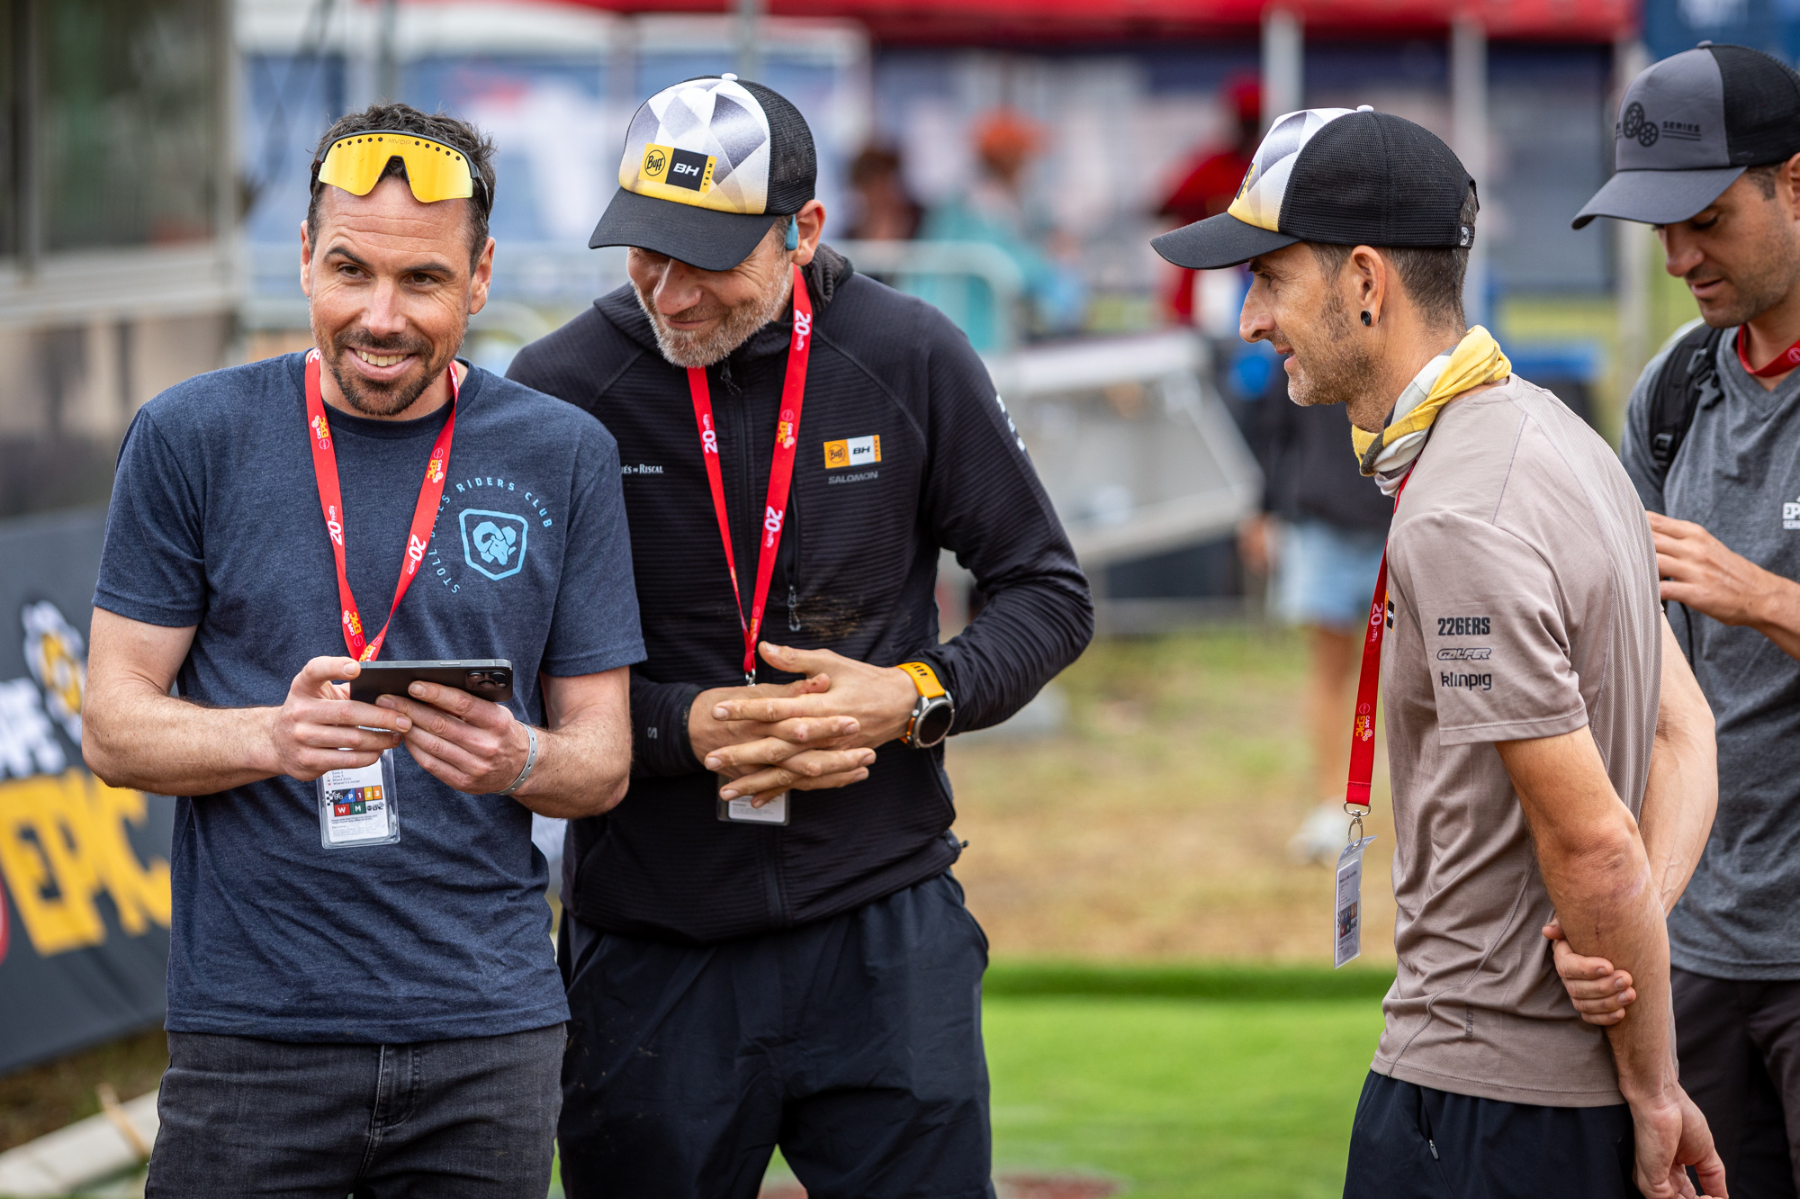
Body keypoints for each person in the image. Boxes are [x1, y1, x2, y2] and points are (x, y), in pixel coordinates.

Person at [506, 74, 1093, 1198]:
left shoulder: (909, 353)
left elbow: (1047, 592)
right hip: (652, 947)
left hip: (880, 926)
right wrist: (681, 725)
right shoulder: (561, 386)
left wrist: (912, 695)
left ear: (805, 229)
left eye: (707, 257)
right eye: (645, 251)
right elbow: (516, 670)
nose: (671, 292)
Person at [1153, 106, 1725, 1198]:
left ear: (1365, 281)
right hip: (1527, 1098)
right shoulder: (1560, 435)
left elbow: (1595, 841)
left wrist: (1656, 1086)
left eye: (1269, 278)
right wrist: (1634, 937)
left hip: (1481, 1100)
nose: (1250, 319)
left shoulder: (1460, 505)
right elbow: (1683, 729)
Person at [81, 104, 643, 1197]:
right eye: (350, 269)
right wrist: (273, 737)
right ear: (304, 256)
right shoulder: (191, 435)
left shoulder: (564, 454)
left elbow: (603, 760)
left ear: (480, 279)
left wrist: (518, 757)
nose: (380, 317)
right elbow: (112, 724)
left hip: (488, 1039)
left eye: (423, 279)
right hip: (254, 1037)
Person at [1555, 42, 1800, 1197]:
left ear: (1794, 182)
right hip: (1692, 949)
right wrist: (1616, 909)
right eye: (1659, 227)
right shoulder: (1673, 389)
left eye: (1706, 219)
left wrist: (1763, 597)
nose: (1678, 258)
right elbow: (1627, 689)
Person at [1236, 362, 1394, 864]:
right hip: (1323, 523)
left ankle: (1427, 808)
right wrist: (1262, 510)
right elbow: (1273, 429)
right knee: (1330, 669)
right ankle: (1331, 806)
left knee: (1415, 675)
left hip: (1399, 519)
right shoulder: (1298, 340)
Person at [909, 108, 1086, 349]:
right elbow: (1010, 270)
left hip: (946, 333)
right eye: (1026, 159)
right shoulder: (980, 211)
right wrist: (1054, 257)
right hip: (968, 339)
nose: (1031, 169)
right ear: (1011, 163)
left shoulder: (966, 203)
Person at [1157, 76, 1262, 326]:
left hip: (1251, 286)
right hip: (1197, 293)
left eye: (1253, 122)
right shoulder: (1212, 164)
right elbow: (1161, 207)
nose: (1247, 130)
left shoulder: (1266, 163)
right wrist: (1210, 206)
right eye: (1244, 122)